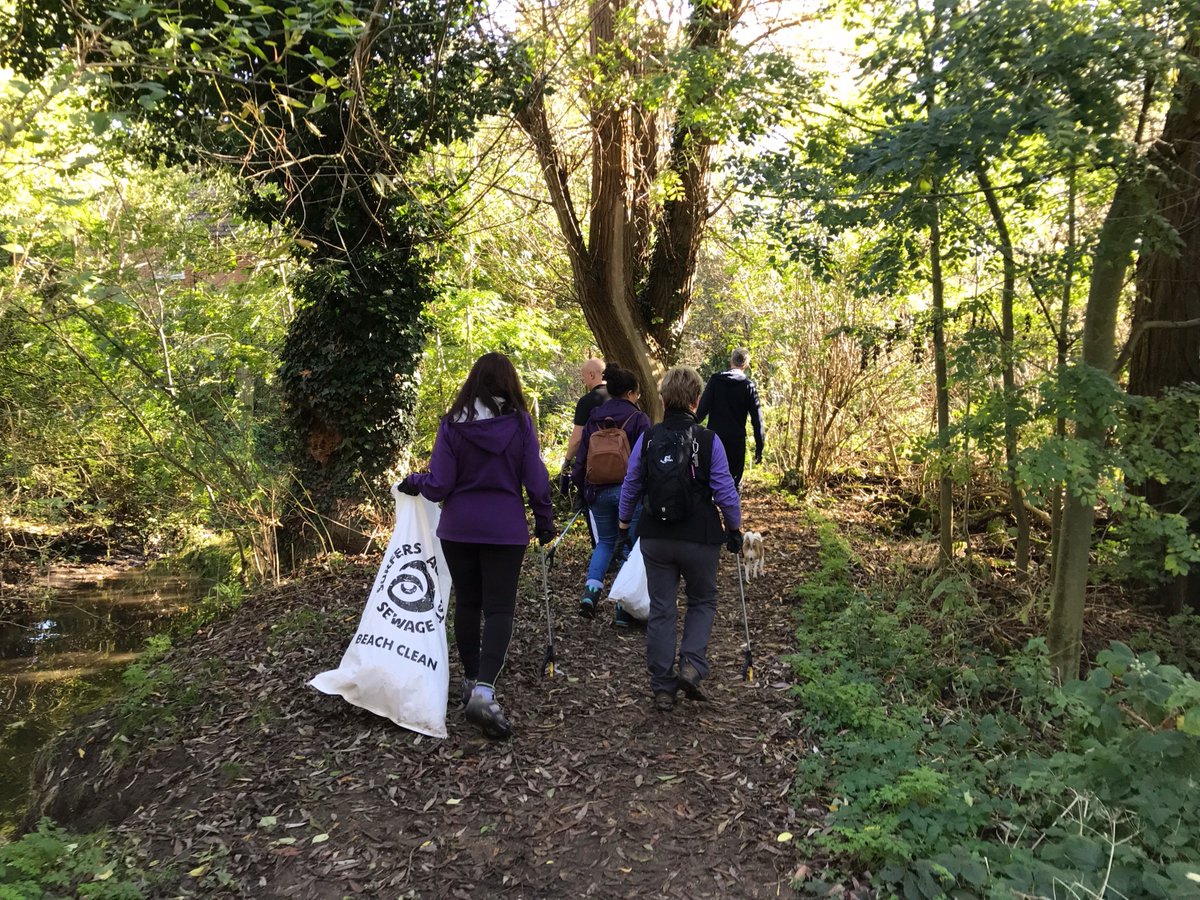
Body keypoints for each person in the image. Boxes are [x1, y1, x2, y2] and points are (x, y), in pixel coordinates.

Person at [398, 352, 555, 740]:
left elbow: (439, 485)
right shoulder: (520, 424)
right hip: (504, 529)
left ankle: (469, 680)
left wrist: (414, 481)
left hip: (458, 528)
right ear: (509, 383)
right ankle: (485, 691)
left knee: (467, 603)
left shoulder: (452, 424)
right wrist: (544, 520)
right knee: (499, 609)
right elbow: (535, 478)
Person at [618, 366, 742, 712]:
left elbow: (631, 484)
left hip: (656, 536)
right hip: (700, 537)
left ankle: (662, 687)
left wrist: (625, 523)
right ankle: (691, 665)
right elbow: (725, 493)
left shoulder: (649, 438)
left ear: (663, 399)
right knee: (702, 601)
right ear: (696, 400)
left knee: (661, 608)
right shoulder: (708, 440)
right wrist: (734, 530)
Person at [571, 365, 650, 626]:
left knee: (605, 543)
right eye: (637, 394)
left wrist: (580, 488)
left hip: (599, 491)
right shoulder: (639, 419)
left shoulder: (594, 416)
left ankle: (590, 594)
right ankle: (621, 608)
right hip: (631, 492)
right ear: (629, 393)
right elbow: (645, 461)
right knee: (628, 544)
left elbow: (582, 457)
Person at [696, 347, 764, 488]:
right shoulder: (748, 386)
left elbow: (701, 410)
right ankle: (732, 508)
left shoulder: (715, 380)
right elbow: (757, 419)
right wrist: (759, 445)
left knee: (711, 478)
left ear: (731, 361)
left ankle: (711, 508)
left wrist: (688, 429)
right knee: (734, 482)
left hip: (714, 438)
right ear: (745, 364)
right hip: (736, 440)